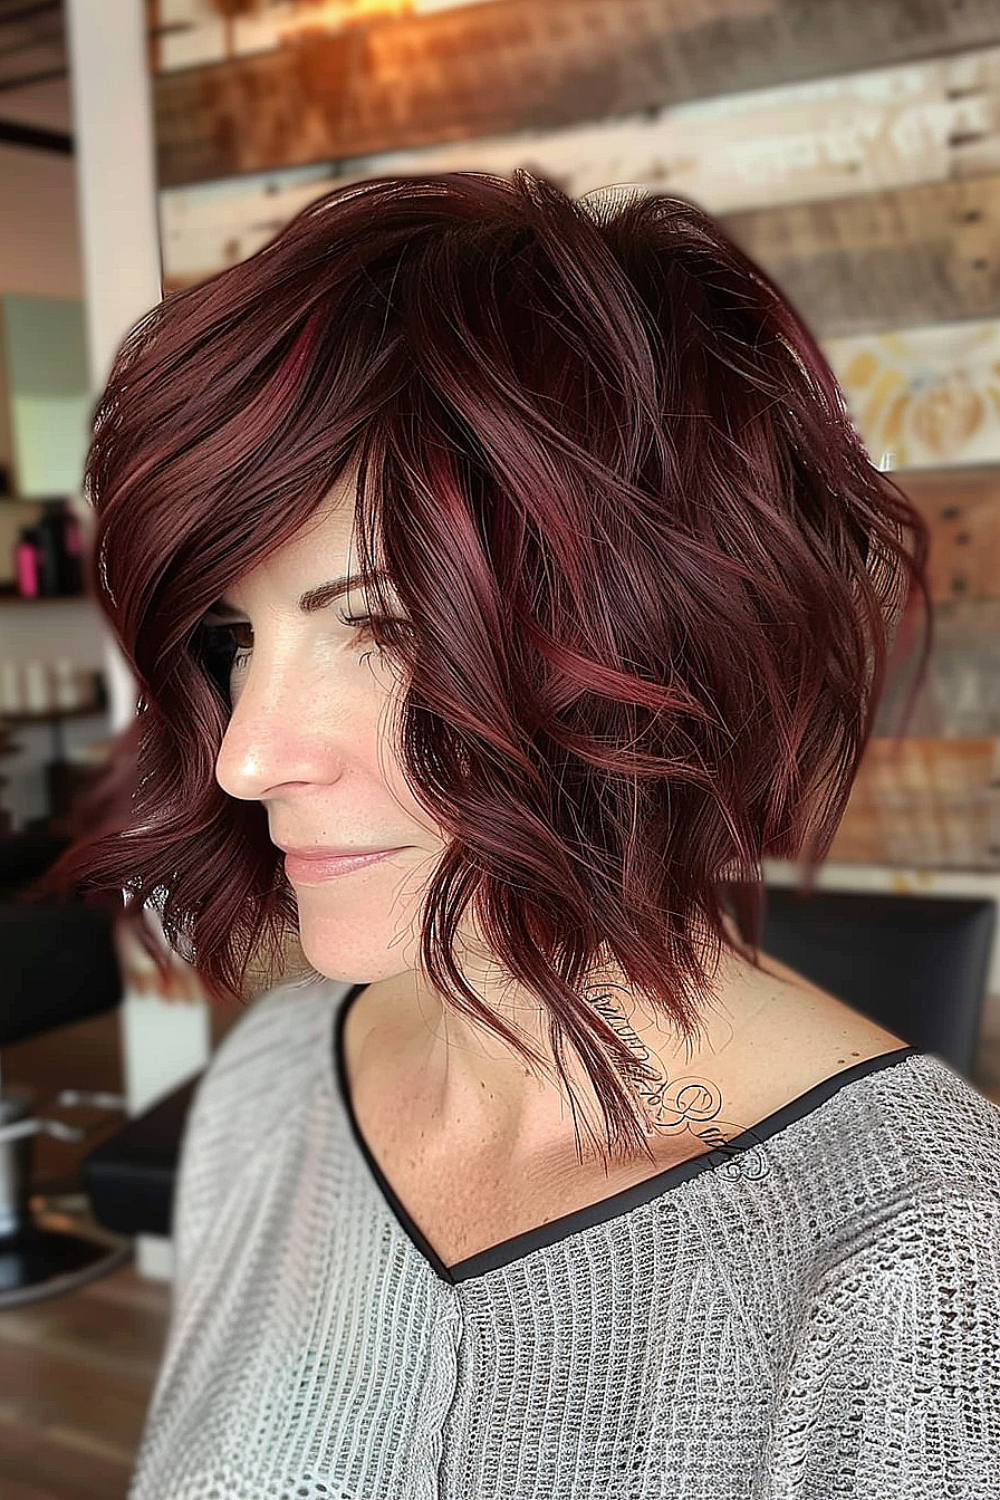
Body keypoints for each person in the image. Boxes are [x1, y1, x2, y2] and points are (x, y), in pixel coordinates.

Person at [34, 169, 1000, 1497]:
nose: (247, 753)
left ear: (655, 637)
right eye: (234, 636)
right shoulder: (273, 1082)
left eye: (383, 626)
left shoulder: (926, 1271)